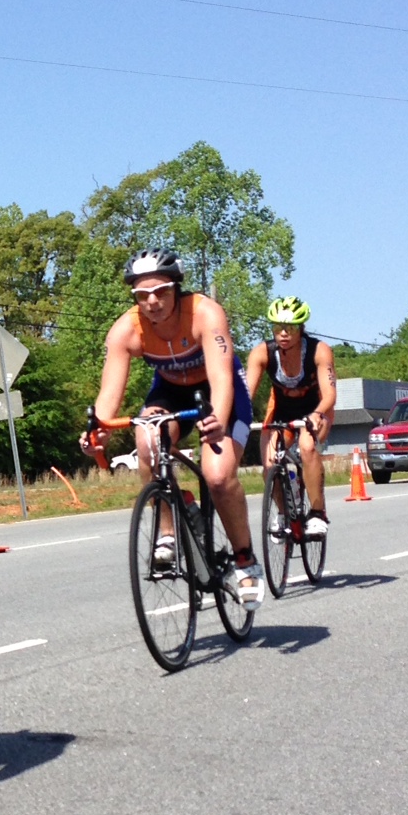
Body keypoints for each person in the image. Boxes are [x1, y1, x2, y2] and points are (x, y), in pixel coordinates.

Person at [85, 248, 264, 604]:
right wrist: (98, 430)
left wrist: (218, 418)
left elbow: (221, 378)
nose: (152, 302)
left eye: (161, 291)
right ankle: (169, 529)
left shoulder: (205, 313)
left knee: (217, 476)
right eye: (141, 295)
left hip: (218, 389)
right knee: (147, 436)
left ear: (176, 288)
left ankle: (244, 559)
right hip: (170, 390)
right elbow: (109, 394)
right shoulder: (125, 330)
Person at [244, 297, 336, 539]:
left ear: (301, 328)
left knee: (307, 447)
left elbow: (330, 395)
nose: (283, 333)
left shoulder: (319, 350)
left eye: (291, 328)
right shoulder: (262, 352)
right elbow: (245, 395)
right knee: (269, 463)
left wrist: (317, 414)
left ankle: (317, 513)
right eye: (277, 327)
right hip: (282, 410)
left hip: (316, 408)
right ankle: (284, 513)